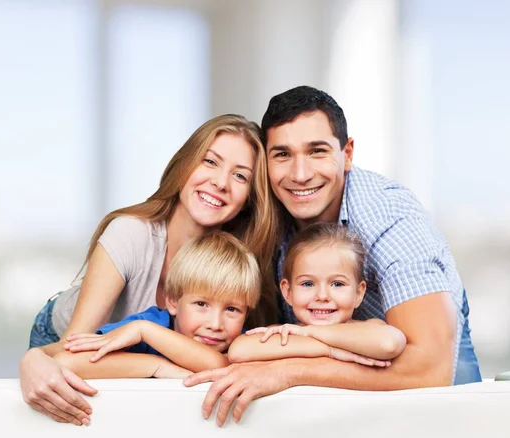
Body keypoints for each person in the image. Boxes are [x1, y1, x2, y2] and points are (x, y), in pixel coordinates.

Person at [183, 85, 482, 426]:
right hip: (328, 370)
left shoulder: (390, 217)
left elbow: (430, 368)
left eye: (317, 152)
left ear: (348, 153)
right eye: (282, 155)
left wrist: (288, 371)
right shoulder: (266, 210)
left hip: (425, 364)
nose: (299, 174)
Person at [19, 114, 281, 426]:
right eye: (210, 162)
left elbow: (222, 362)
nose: (220, 183)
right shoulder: (131, 234)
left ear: (249, 199)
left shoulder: (234, 261)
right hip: (66, 337)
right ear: (185, 165)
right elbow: (70, 351)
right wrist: (34, 359)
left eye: (240, 176)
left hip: (142, 353)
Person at [54, 231, 261, 380]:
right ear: (172, 302)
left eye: (232, 309)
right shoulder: (147, 324)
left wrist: (144, 332)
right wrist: (156, 366)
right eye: (201, 304)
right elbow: (65, 362)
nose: (215, 324)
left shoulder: (241, 343)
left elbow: (218, 364)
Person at [228, 222, 406, 366]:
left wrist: (309, 333)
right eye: (308, 283)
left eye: (337, 284)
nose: (322, 296)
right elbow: (239, 351)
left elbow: (388, 344)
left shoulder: (369, 327)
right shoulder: (284, 333)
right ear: (288, 292)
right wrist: (329, 350)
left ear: (359, 293)